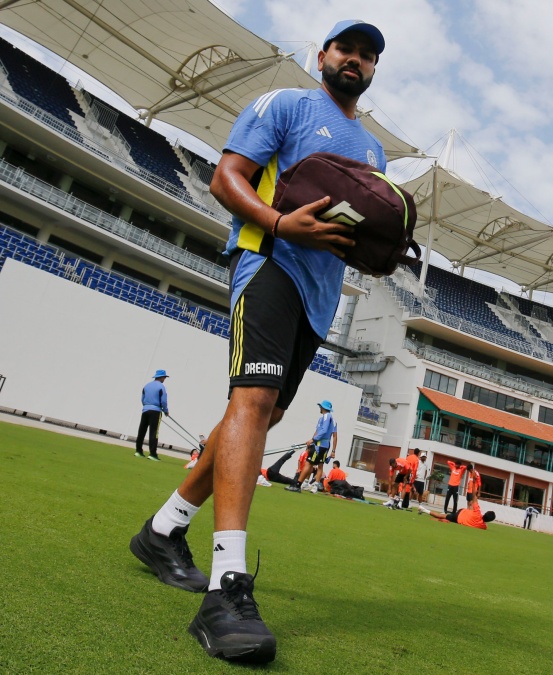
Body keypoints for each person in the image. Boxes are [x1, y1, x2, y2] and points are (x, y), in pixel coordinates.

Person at [129, 19, 388, 664]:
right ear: (322, 55)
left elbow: (359, 228)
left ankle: (163, 530)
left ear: (374, 69)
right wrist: (277, 221)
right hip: (269, 261)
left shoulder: (375, 151)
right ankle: (227, 586)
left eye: (366, 55)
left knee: (262, 413)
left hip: (320, 295)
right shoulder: (285, 104)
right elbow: (227, 177)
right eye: (345, 49)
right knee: (252, 403)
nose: (354, 60)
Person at [287, 400, 338, 493]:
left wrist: (313, 440)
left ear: (323, 408)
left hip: (319, 445)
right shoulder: (329, 419)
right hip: (324, 445)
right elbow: (326, 433)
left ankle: (298, 485)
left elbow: (323, 431)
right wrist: (312, 440)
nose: (319, 408)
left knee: (309, 463)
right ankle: (307, 484)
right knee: (317, 464)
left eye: (320, 406)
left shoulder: (327, 416)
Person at [135, 370, 169, 460]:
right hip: (156, 411)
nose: (165, 379)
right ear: (161, 377)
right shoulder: (161, 386)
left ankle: (138, 451)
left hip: (145, 410)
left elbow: (143, 399)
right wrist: (166, 411)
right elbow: (164, 401)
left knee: (142, 430)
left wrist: (147, 406)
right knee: (154, 432)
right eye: (164, 377)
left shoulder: (147, 386)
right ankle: (153, 454)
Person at [428, 493, 497, 530]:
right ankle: (426, 511)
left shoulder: (478, 512)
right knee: (443, 516)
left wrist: (475, 488)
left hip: (462, 511)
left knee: (443, 515)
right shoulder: (483, 526)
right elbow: (485, 525)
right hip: (458, 519)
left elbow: (475, 498)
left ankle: (426, 511)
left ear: (485, 513)